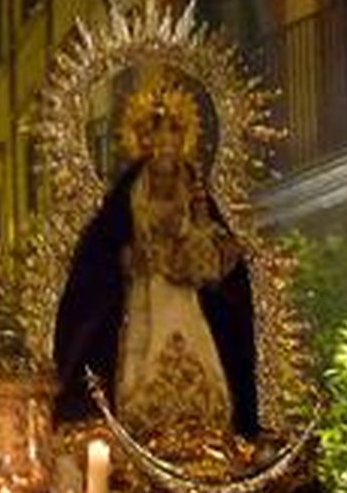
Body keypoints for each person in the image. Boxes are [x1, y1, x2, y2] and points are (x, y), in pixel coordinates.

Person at [52, 72, 260, 451]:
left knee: (205, 384)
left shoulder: (196, 192)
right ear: (142, 141)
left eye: (173, 135)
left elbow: (218, 263)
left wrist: (201, 250)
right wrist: (125, 259)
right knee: (137, 380)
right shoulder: (127, 197)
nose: (165, 144)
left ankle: (205, 446)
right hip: (142, 300)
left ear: (185, 141)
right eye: (156, 135)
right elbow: (97, 258)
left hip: (187, 302)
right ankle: (142, 448)